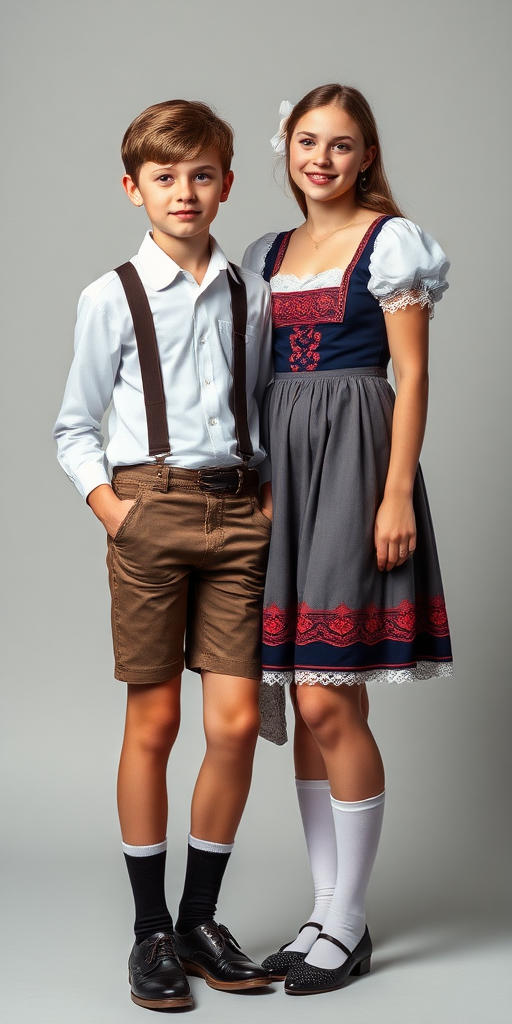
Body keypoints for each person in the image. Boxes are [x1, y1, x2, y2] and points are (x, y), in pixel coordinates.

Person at [54, 99, 274, 1010]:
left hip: (239, 515)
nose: (184, 192)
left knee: (233, 727)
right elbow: (73, 427)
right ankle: (150, 932)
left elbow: (259, 401)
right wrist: (115, 512)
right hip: (149, 511)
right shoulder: (110, 295)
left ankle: (198, 918)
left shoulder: (249, 289)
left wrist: (265, 490)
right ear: (133, 186)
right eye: (164, 176)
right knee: (155, 725)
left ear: (227, 180)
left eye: (201, 174)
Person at [243, 83, 453, 996]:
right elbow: (249, 380)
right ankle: (324, 909)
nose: (321, 158)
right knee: (303, 702)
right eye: (307, 141)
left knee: (332, 700)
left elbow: (411, 373)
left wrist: (396, 491)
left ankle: (350, 922)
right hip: (283, 476)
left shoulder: (389, 242)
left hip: (360, 463)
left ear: (366, 156)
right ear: (286, 150)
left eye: (341, 144)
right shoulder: (267, 253)